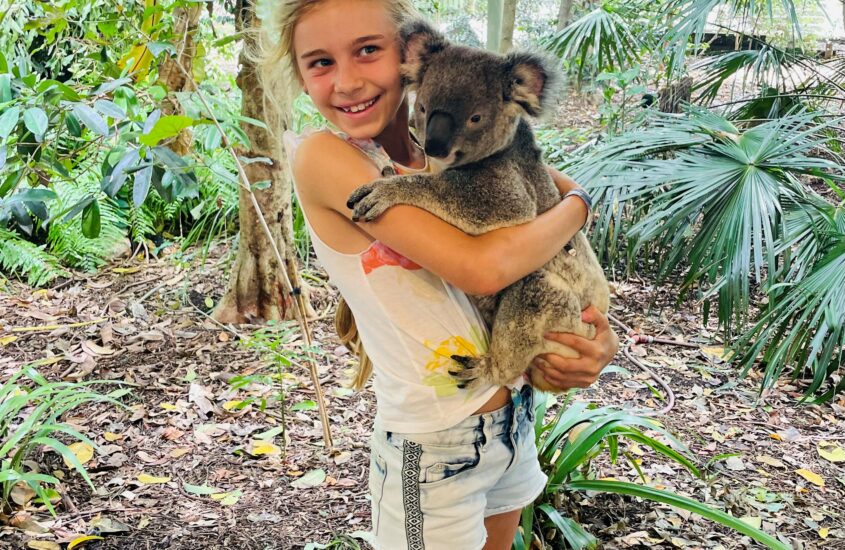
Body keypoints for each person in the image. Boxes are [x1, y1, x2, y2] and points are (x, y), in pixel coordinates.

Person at [260, 1, 619, 548]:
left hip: (511, 415)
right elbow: (485, 267)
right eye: (320, 63)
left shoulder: (462, 150)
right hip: (432, 445)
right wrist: (579, 208)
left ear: (411, 56)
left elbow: (550, 199)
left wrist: (592, 334)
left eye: (367, 50)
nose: (349, 80)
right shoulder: (325, 159)